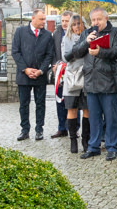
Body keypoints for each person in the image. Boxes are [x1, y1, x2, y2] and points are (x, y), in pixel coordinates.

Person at [71, 6, 117, 160]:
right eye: (93, 20)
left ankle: (112, 147)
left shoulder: (116, 33)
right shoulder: (87, 33)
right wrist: (86, 43)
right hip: (91, 81)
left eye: (99, 19)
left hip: (109, 82)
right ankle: (93, 146)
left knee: (111, 117)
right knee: (93, 117)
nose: (96, 22)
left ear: (106, 19)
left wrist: (100, 52)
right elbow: (76, 52)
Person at [11, 9, 54, 141]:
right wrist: (25, 69)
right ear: (33, 19)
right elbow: (15, 52)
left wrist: (41, 70)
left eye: (44, 19)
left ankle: (39, 130)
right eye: (41, 19)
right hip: (24, 76)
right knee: (24, 104)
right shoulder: (20, 32)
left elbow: (49, 55)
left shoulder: (47, 35)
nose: (44, 22)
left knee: (40, 104)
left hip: (40, 76)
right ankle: (25, 130)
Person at [61, 14, 90, 153]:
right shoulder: (66, 39)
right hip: (72, 78)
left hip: (86, 77)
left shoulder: (90, 36)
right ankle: (73, 140)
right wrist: (79, 46)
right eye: (74, 24)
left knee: (87, 110)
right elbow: (66, 57)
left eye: (80, 23)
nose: (77, 26)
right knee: (71, 109)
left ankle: (86, 140)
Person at [50, 11, 73, 139]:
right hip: (59, 71)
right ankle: (61, 128)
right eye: (63, 21)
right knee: (60, 100)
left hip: (72, 71)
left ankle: (73, 128)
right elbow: (52, 51)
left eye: (66, 21)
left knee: (72, 100)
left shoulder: (75, 32)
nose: (64, 23)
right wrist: (54, 65)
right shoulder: (56, 33)